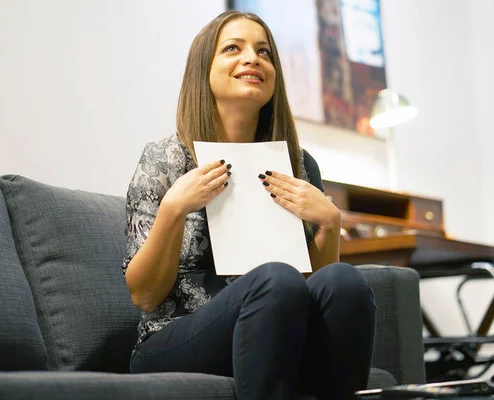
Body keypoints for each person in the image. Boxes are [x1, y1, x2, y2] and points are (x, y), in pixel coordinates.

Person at [122, 10, 376, 400]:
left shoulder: (300, 166)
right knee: (275, 279)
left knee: (346, 281)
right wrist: (173, 209)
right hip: (175, 337)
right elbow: (144, 296)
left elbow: (313, 293)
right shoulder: (166, 158)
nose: (252, 59)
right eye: (232, 49)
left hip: (276, 324)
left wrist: (329, 224)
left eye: (264, 52)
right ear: (203, 69)